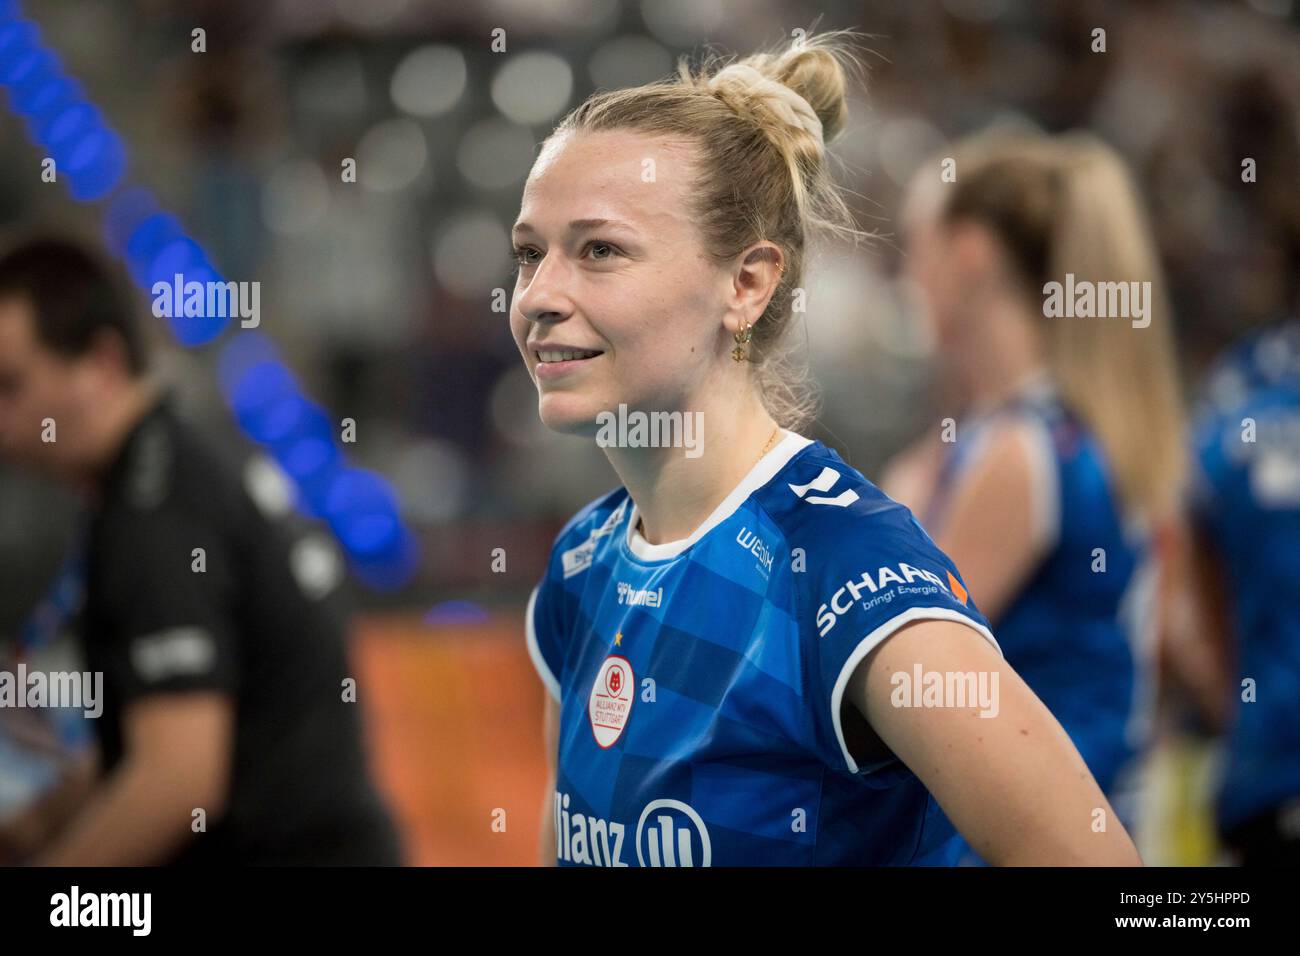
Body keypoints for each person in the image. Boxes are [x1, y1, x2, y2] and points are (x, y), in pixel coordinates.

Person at [511, 31, 1140, 866]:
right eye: (528, 254)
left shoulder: (844, 571)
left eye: (600, 251)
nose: (539, 295)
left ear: (746, 284)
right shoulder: (582, 566)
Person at [0, 236, 401, 865]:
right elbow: (157, 735)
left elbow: (176, 781)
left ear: (102, 362)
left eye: (11, 386)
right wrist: (42, 822)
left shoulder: (155, 513)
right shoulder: (188, 457)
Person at [882, 132, 1187, 855]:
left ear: (969, 256)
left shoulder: (1018, 453)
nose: (904, 277)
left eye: (914, 247)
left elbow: (900, 669)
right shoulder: (1049, 429)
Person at [1183, 319, 1300, 865]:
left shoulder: (1235, 393)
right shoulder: (1239, 391)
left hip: (1260, 773)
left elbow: (1184, 614)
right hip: (1264, 775)